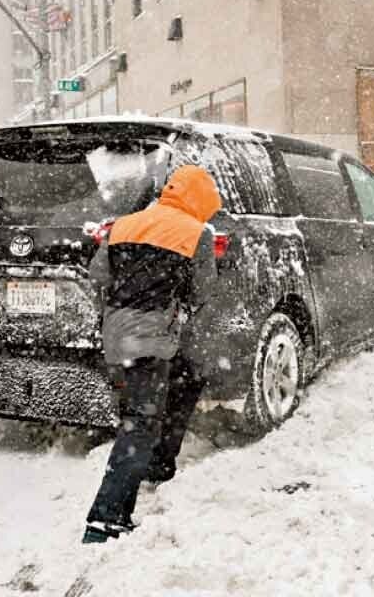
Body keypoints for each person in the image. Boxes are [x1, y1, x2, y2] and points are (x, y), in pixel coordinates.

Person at [82, 164, 221, 544]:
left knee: (187, 378)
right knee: (139, 423)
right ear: (199, 200)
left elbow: (98, 275)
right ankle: (105, 518)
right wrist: (173, 295)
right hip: (152, 337)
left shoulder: (125, 224)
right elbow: (201, 291)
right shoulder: (196, 233)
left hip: (118, 332)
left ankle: (158, 464)